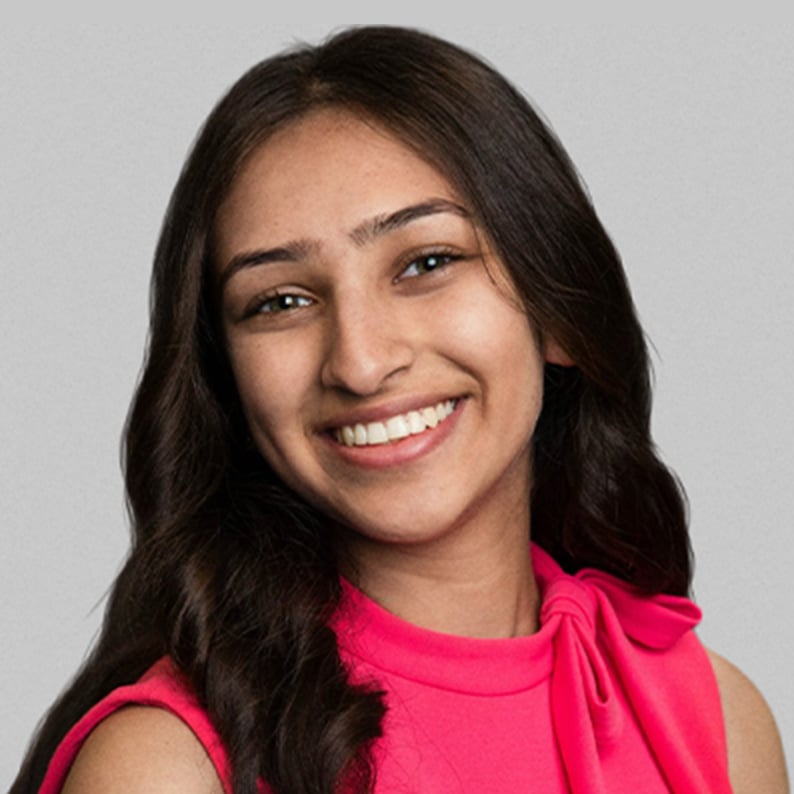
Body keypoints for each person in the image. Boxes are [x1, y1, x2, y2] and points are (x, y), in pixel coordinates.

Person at [11, 25, 787, 794]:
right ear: (227, 377)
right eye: (280, 301)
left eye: (427, 262)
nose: (360, 362)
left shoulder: (717, 720)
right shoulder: (166, 769)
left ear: (558, 311)